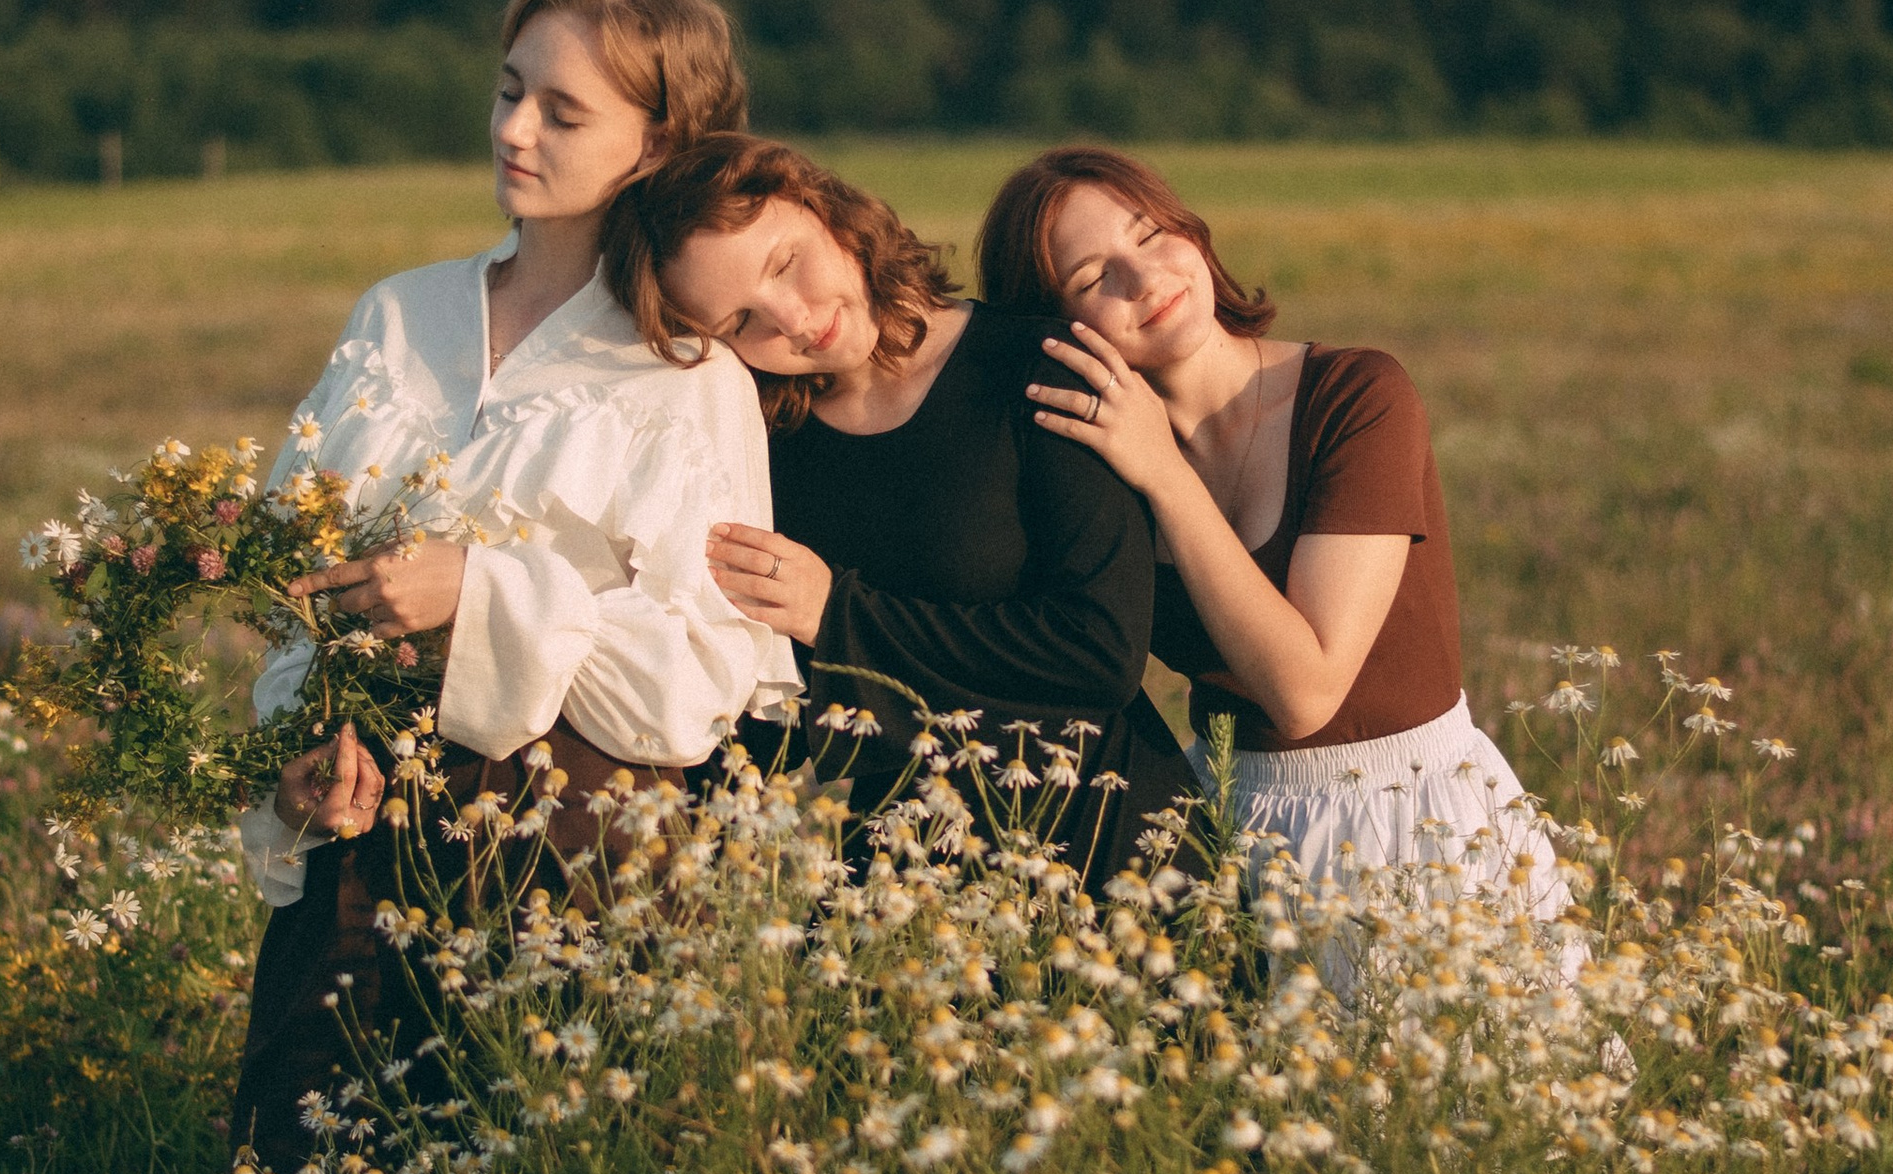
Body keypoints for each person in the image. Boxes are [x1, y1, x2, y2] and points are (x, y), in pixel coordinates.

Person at [229, 0, 799, 1173]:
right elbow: (292, 597)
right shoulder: (396, 316)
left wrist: (478, 598)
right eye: (506, 91)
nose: (513, 129)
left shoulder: (690, 382)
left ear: (655, 145)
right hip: (357, 851)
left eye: (562, 110)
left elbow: (693, 682)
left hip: (567, 867)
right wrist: (299, 750)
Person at [975, 142, 1577, 962]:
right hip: (1225, 837)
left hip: (1416, 822)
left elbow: (1306, 691)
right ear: (1056, 331)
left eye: (1151, 235)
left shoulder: (1357, 395)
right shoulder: (1094, 470)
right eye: (1092, 279)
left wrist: (1164, 474)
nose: (1144, 278)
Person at [599, 135, 1198, 878]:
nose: (790, 318)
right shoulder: (761, 452)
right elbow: (764, 719)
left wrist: (838, 618)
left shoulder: (1039, 364)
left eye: (787, 263)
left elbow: (1100, 651)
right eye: (740, 323)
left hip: (1115, 852)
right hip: (900, 888)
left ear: (831, 214)